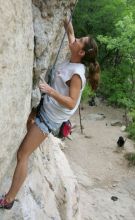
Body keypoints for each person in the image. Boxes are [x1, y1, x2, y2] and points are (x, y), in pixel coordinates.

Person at [0, 18, 100, 209]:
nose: (75, 38)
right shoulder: (74, 56)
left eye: (79, 40)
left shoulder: (77, 74)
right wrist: (67, 20)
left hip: (48, 120)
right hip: (45, 109)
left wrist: (50, 90)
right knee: (27, 140)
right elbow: (70, 31)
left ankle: (9, 200)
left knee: (23, 154)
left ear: (81, 52)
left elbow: (71, 103)